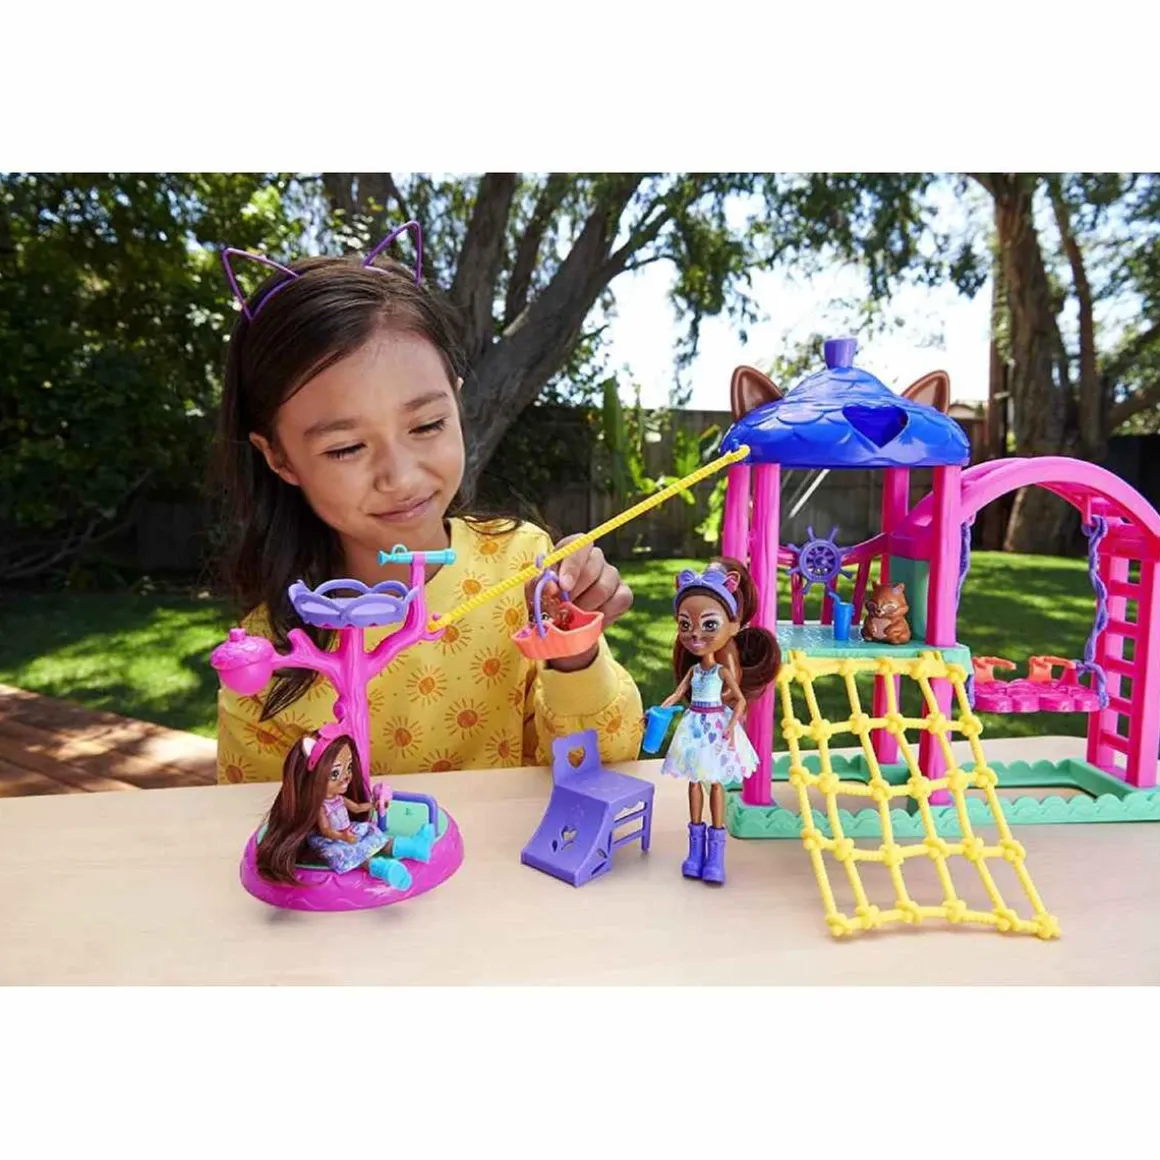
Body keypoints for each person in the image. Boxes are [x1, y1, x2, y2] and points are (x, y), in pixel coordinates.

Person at [214, 222, 642, 785]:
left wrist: (573, 653)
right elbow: (259, 824)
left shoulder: (525, 571)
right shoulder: (263, 659)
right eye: (346, 448)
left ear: (456, 405)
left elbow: (604, 762)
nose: (401, 476)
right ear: (279, 457)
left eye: (427, 425)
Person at [658, 559, 779, 884]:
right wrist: (659, 710)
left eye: (709, 625)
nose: (695, 634)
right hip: (695, 726)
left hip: (715, 727)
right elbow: (676, 694)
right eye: (685, 625)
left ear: (733, 626)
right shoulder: (694, 670)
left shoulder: (723, 670)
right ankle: (694, 851)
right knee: (694, 781)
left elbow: (739, 699)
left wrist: (731, 724)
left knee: (714, 782)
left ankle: (716, 855)